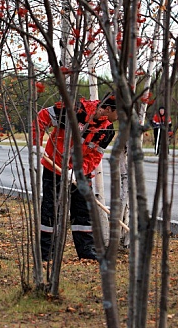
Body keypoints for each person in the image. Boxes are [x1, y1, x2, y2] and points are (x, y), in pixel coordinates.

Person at [33, 92, 118, 261]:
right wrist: (36, 145)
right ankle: (47, 253)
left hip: (80, 174)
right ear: (108, 109)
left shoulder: (107, 129)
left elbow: (95, 157)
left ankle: (86, 251)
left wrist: (79, 170)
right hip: (54, 166)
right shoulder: (75, 110)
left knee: (83, 211)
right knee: (51, 210)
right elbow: (41, 118)